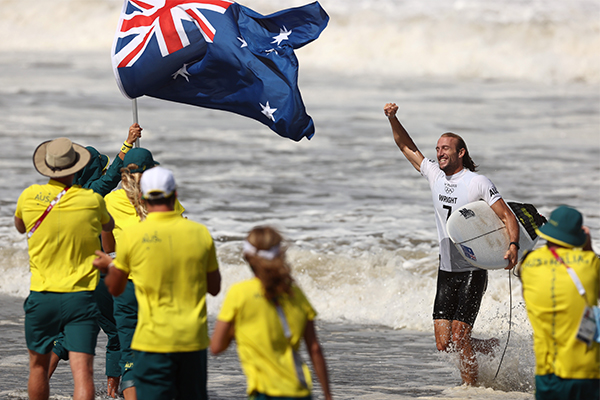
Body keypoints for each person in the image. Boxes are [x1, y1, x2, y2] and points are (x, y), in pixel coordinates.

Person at [383, 103, 520, 385]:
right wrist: (393, 119)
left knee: (459, 337)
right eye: (437, 149)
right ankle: (486, 345)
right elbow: (406, 146)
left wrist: (513, 245)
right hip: (446, 269)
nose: (439, 153)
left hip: (472, 269)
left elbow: (507, 216)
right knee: (444, 343)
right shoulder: (434, 175)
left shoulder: (477, 182)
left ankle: (470, 389)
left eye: (446, 148)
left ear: (461, 153)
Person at [93, 167, 221, 400]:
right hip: (191, 336)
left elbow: (116, 288)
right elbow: (214, 288)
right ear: (175, 194)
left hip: (151, 338)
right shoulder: (199, 233)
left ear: (142, 197)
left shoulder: (132, 236)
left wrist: (108, 268)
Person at [14, 137, 115, 400]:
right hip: (80, 296)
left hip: (42, 294)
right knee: (83, 373)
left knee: (37, 368)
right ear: (76, 166)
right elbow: (109, 236)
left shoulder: (28, 196)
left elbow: (20, 226)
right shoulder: (92, 200)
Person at [48, 123, 142, 398]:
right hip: (95, 275)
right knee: (115, 332)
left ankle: (39, 378)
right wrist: (128, 143)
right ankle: (112, 391)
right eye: (99, 166)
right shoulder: (92, 196)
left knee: (66, 333)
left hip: (67, 275)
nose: (103, 170)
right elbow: (111, 176)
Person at [211, 226, 333, 400]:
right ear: (280, 254)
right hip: (300, 392)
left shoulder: (240, 293)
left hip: (265, 393)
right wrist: (328, 395)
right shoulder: (295, 293)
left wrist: (236, 330)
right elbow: (314, 349)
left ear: (247, 257)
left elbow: (216, 347)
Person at [518, 205, 599, 400]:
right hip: (587, 372)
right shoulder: (590, 263)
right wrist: (587, 247)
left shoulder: (528, 264)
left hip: (547, 373)